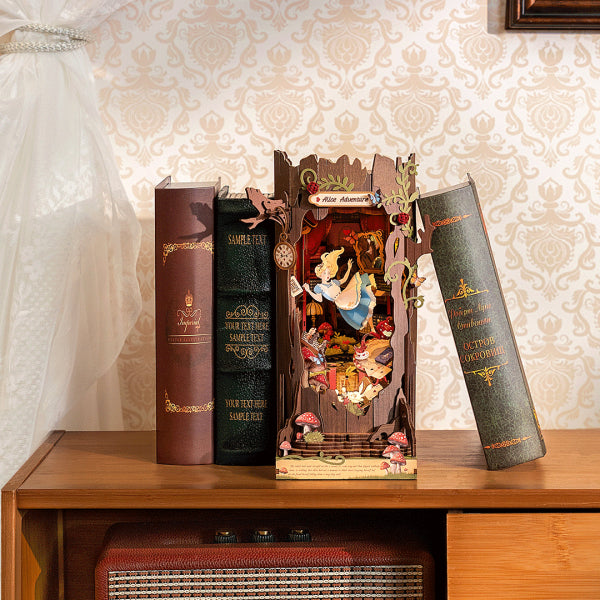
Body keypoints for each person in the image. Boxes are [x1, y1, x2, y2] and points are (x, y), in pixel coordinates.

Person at [303, 248, 376, 331]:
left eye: (328, 273)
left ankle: (371, 326)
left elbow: (344, 280)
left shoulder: (333, 282)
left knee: (361, 289)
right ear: (320, 275)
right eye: (325, 273)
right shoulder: (319, 287)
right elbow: (319, 299)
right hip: (341, 302)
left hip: (345, 295)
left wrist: (349, 268)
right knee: (360, 314)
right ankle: (370, 327)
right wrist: (308, 290)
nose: (327, 275)